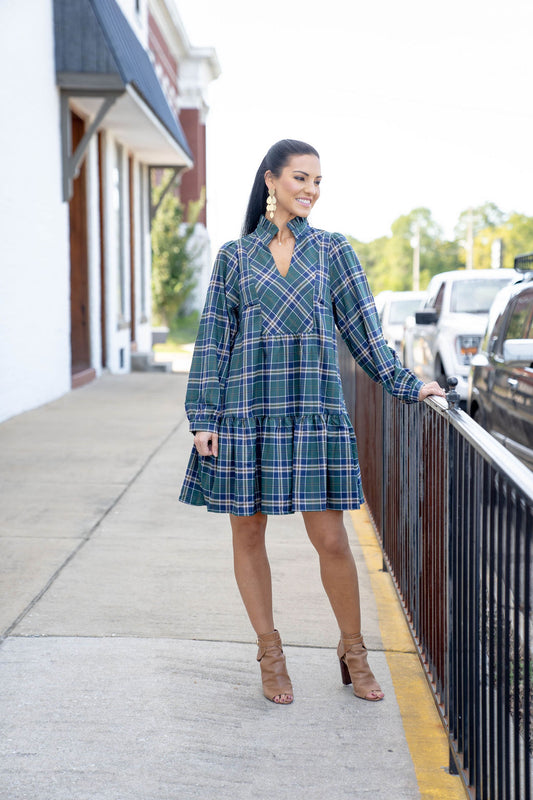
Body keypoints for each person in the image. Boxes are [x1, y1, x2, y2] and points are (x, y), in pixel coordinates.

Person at [180, 139, 445, 705]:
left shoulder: (332, 252)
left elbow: (365, 336)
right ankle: (270, 655)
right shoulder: (233, 257)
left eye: (318, 181)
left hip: (314, 414)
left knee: (331, 539)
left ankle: (354, 651)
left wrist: (407, 382)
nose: (311, 190)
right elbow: (213, 341)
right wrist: (203, 416)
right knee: (248, 532)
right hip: (245, 412)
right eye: (301, 178)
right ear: (271, 181)